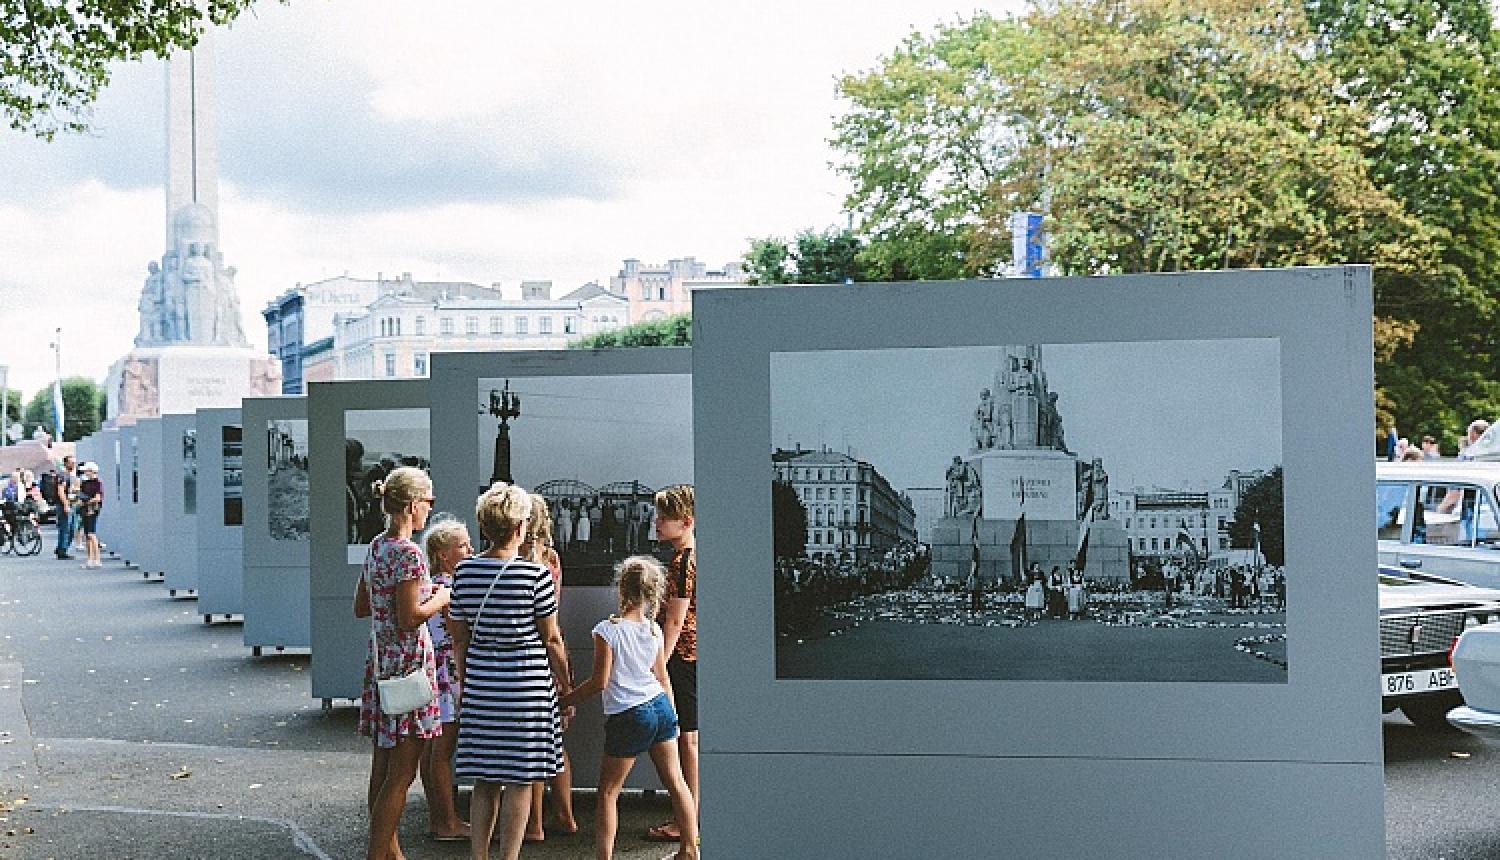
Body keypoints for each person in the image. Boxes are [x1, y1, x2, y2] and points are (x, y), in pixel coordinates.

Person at [449, 483, 572, 860]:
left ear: (484, 528)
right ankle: (509, 857)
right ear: (521, 527)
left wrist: (466, 682)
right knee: (520, 780)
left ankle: (478, 856)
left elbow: (459, 638)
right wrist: (564, 683)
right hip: (528, 687)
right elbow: (551, 639)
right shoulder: (535, 576)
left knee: (484, 780)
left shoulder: (464, 573)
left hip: (484, 686)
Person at [561, 555, 700, 860]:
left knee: (609, 791)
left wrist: (566, 699)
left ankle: (604, 857)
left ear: (621, 589)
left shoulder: (606, 631)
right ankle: (690, 850)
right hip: (660, 707)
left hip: (629, 714)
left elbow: (599, 682)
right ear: (653, 593)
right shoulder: (654, 630)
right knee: (677, 782)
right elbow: (662, 676)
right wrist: (673, 716)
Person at [353, 467, 449, 860]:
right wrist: (441, 598)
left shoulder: (377, 545)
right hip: (409, 668)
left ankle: (390, 850)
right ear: (412, 505)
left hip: (381, 666)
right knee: (403, 773)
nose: (430, 509)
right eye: (429, 502)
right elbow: (410, 616)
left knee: (383, 764)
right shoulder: (409, 553)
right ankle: (379, 854)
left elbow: (362, 605)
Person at [519, 494, 578, 842]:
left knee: (532, 743)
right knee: (555, 741)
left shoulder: (517, 559)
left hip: (526, 653)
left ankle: (534, 823)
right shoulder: (552, 558)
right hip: (554, 645)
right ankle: (565, 815)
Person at [647, 485, 698, 844]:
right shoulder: (694, 555)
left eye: (664, 517)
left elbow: (675, 621)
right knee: (689, 739)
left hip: (682, 656)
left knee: (687, 740)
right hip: (694, 655)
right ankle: (689, 815)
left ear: (686, 521)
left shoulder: (682, 561)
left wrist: (658, 665)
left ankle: (686, 820)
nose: (657, 522)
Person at [418, 515, 471, 843]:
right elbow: (457, 635)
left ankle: (440, 817)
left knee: (432, 750)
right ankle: (447, 821)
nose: (470, 549)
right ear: (443, 554)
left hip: (434, 669)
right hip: (447, 673)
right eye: (462, 545)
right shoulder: (449, 588)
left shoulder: (430, 584)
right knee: (443, 749)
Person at [78, 462, 104, 569]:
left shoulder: (98, 483)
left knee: (91, 533)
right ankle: (90, 559)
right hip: (85, 509)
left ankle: (97, 559)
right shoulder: (85, 483)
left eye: (87, 471)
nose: (85, 473)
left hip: (93, 509)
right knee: (87, 534)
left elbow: (98, 498)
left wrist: (87, 501)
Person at [54, 455, 78, 560]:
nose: (74, 464)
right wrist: (66, 505)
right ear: (66, 463)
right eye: (71, 462)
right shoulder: (63, 475)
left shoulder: (71, 475)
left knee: (72, 528)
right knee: (66, 528)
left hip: (72, 504)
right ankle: (62, 550)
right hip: (65, 505)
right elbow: (61, 491)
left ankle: (61, 547)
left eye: (74, 462)